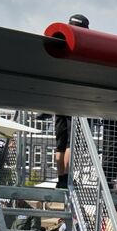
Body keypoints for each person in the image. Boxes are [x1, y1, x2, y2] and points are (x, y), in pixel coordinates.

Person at [52, 14, 90, 184]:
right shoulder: (81, 46)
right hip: (74, 100)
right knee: (70, 143)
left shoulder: (59, 45)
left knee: (60, 144)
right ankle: (67, 179)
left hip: (58, 99)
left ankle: (61, 179)